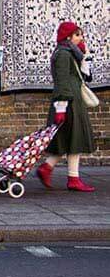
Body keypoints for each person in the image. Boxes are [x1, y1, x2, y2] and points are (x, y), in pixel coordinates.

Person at [36, 21, 96, 192]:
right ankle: (72, 178)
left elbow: (85, 76)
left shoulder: (72, 53)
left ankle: (48, 169)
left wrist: (84, 57)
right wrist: (61, 108)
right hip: (67, 101)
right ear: (68, 37)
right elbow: (61, 81)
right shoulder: (63, 54)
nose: (81, 38)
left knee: (66, 138)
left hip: (73, 99)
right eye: (77, 35)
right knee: (74, 138)